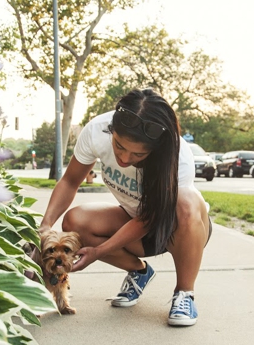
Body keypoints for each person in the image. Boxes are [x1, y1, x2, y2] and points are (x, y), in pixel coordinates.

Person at [40, 88, 211, 326]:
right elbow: (69, 181)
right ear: (112, 129)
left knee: (187, 202)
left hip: (178, 229)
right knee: (75, 221)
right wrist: (45, 225)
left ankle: (184, 293)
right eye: (119, 146)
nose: (125, 158)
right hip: (134, 223)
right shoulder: (96, 131)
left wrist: (98, 252)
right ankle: (139, 272)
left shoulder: (177, 154)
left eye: (138, 154)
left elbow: (151, 218)